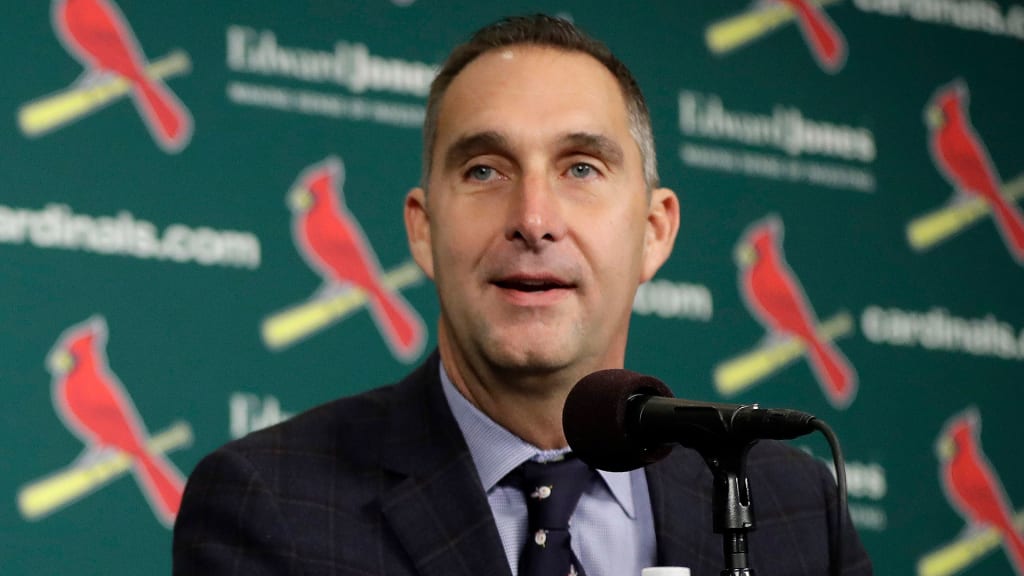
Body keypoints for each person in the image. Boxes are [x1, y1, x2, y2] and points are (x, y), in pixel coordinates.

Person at [173, 14, 872, 576]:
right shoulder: (271, 503)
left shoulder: (793, 507)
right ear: (423, 229)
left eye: (581, 168)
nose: (534, 220)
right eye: (484, 170)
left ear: (654, 232)